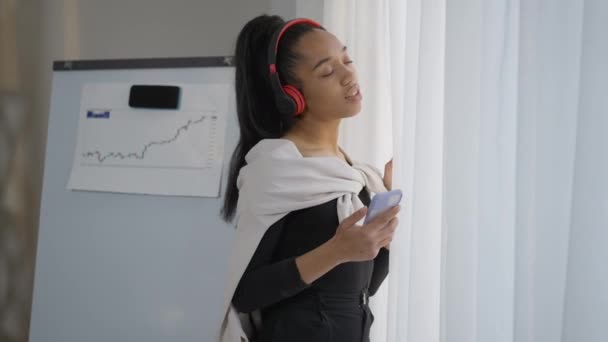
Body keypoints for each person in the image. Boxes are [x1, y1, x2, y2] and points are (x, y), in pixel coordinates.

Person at [218, 14, 400, 342]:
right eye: (328, 71)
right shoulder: (277, 170)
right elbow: (244, 293)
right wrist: (335, 251)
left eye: (348, 60)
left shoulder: (356, 175)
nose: (348, 75)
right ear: (292, 96)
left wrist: (382, 233)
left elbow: (361, 288)